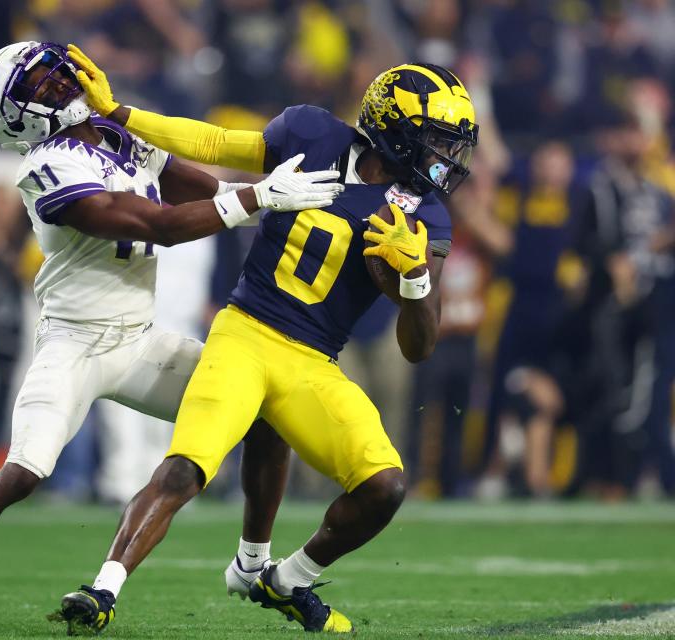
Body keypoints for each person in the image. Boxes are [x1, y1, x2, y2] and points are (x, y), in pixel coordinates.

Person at [0, 41, 341, 634]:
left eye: (59, 75)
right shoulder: (42, 167)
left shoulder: (117, 136)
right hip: (75, 343)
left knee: (269, 409)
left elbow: (196, 190)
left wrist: (270, 200)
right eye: (41, 87)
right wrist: (258, 198)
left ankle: (252, 561)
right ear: (15, 115)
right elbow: (157, 225)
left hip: (139, 341)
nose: (62, 87)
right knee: (21, 473)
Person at [60, 48, 477, 633]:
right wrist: (120, 113)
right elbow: (212, 142)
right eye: (436, 137)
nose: (446, 156)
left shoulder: (425, 214)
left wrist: (415, 277)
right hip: (245, 332)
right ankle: (103, 589)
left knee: (385, 486)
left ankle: (287, 578)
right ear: (395, 127)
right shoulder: (312, 133)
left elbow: (420, 344)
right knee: (186, 468)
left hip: (313, 361)